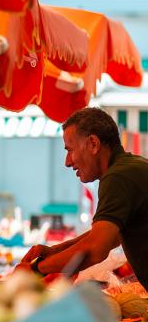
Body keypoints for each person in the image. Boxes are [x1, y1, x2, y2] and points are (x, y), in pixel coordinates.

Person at [20, 107, 148, 287]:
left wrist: (37, 269)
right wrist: (54, 251)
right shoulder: (131, 167)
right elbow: (109, 235)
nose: (67, 161)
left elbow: (95, 248)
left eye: (70, 150)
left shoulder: (118, 177)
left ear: (93, 143)